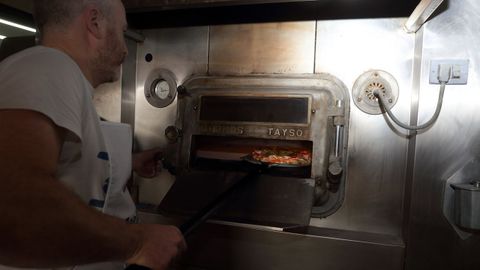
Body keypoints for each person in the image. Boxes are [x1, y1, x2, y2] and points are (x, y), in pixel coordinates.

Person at [0, 0, 185, 269]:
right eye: (121, 31)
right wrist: (137, 243)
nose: (124, 48)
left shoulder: (59, 75)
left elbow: (66, 160)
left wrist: (130, 162)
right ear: (95, 23)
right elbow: (12, 202)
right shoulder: (48, 66)